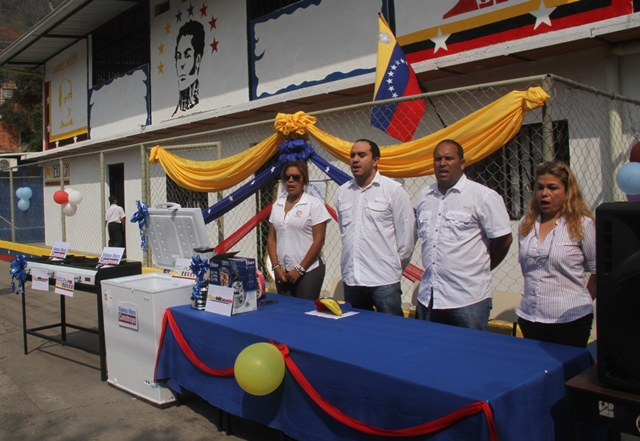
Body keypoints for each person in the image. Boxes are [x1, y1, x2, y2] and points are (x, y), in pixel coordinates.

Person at [416, 139, 513, 331]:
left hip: (468, 299)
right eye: (438, 159)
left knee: (470, 357)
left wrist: (483, 266)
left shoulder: (483, 196)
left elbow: (503, 239)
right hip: (430, 297)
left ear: (462, 163)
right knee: (429, 355)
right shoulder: (425, 196)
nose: (442, 163)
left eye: (449, 158)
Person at [516, 161, 596, 347]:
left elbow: (599, 271)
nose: (545, 194)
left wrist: (581, 301)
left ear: (567, 192)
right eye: (540, 188)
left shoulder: (582, 224)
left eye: (552, 188)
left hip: (569, 320)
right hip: (530, 317)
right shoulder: (526, 224)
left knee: (569, 374)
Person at [335, 139, 416, 316]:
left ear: (376, 160)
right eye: (352, 155)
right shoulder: (342, 193)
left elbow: (407, 236)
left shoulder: (393, 190)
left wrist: (393, 266)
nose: (355, 160)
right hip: (352, 280)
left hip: (384, 281)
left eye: (361, 155)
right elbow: (344, 231)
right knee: (357, 334)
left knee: (391, 334)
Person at [267, 161, 331, 300]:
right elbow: (271, 238)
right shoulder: (277, 205)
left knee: (305, 314)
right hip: (283, 272)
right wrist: (276, 267)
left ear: (304, 181)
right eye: (287, 177)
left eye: (296, 177)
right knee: (286, 313)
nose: (291, 180)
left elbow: (319, 241)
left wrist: (300, 269)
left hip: (309, 270)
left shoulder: (314, 204)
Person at [172, 20, 205, 117]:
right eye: (179, 56)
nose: (181, 64)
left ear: (197, 60)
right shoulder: (176, 113)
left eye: (187, 56)